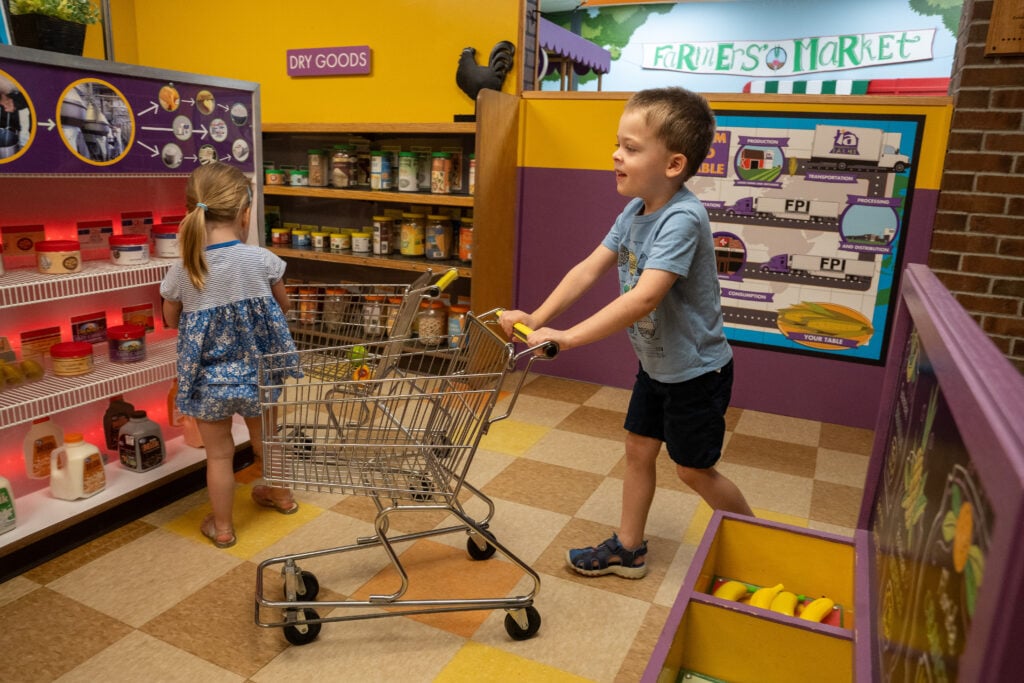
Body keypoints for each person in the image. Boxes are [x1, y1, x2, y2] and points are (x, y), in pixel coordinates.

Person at [499, 87, 753, 579]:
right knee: (638, 450)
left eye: (631, 148)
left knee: (693, 469)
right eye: (618, 144)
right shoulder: (634, 212)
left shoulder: (682, 218)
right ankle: (629, 549)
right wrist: (537, 314)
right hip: (657, 366)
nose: (617, 154)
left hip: (697, 373)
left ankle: (759, 539)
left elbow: (643, 298)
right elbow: (587, 269)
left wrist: (567, 337)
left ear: (674, 164)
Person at [161, 162, 303, 549]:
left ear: (191, 211)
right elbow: (283, 307)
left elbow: (171, 319)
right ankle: (281, 496)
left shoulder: (184, 268)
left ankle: (223, 527)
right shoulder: (261, 260)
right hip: (259, 375)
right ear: (245, 212)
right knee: (267, 440)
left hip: (209, 382)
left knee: (220, 456)